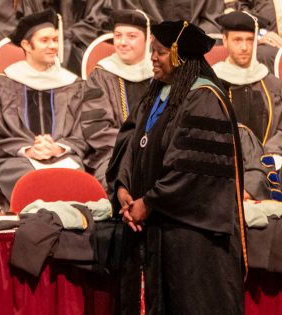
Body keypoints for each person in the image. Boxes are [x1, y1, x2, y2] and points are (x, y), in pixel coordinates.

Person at [112, 21, 246, 314]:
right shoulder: (157, 92)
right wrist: (124, 188)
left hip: (193, 238)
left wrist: (149, 202)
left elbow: (193, 170)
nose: (153, 58)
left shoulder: (204, 98)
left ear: (179, 55)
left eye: (159, 52)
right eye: (153, 51)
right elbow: (132, 142)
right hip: (154, 227)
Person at [0, 9, 88, 205]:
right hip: (16, 161)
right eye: (45, 40)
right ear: (26, 45)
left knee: (74, 176)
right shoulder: (0, 85)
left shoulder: (74, 85)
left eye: (55, 40)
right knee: (28, 179)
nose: (53, 46)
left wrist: (59, 148)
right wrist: (28, 150)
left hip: (64, 158)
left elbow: (83, 131)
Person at [82, 9, 153, 192]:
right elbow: (96, 127)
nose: (122, 42)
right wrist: (134, 147)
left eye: (131, 36)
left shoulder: (162, 74)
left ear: (148, 40)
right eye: (117, 35)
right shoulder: (101, 75)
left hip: (158, 153)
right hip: (114, 155)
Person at [213, 11, 282, 155]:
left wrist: (270, 155)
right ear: (225, 41)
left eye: (250, 40)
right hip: (224, 164)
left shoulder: (273, 85)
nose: (244, 47)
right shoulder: (212, 85)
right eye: (237, 40)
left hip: (268, 164)